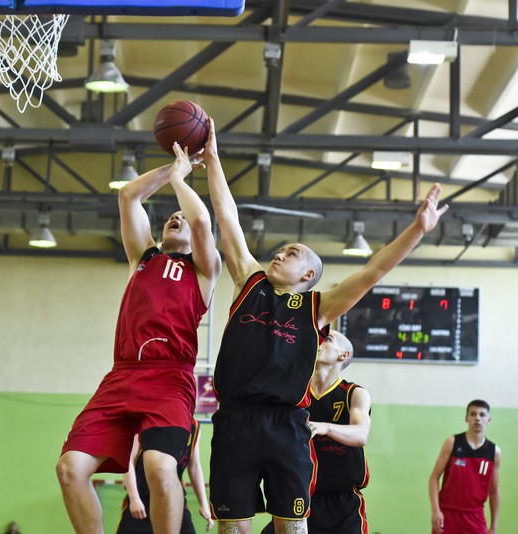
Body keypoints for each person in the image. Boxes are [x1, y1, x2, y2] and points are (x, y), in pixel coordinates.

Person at [203, 117, 448, 534]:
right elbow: (227, 217)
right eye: (281, 250)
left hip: (286, 424)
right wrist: (212, 158)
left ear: (308, 275)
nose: (280, 254)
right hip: (234, 420)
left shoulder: (318, 307)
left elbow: (372, 271)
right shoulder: (249, 282)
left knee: (292, 526)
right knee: (232, 527)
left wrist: (416, 231)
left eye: (292, 252)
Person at [56, 142, 222, 534]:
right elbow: (129, 195)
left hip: (170, 378)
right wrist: (176, 165)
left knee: (160, 468)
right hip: (122, 375)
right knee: (70, 468)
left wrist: (181, 180)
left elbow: (201, 222)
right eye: (171, 216)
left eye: (181, 215)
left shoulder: (204, 270)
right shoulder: (143, 257)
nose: (176, 217)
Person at [260, 330, 371, 534]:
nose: (318, 341)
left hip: (342, 506)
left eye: (327, 339)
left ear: (343, 355)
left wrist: (325, 427)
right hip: (299, 498)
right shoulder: (293, 394)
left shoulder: (355, 393)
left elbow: (361, 434)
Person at [117, 419, 214, 533]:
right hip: (142, 501)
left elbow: (194, 467)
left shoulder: (194, 426)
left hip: (174, 502)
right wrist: (134, 498)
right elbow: (128, 461)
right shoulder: (146, 420)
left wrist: (204, 504)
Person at [429, 400, 500, 534]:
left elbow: (494, 491)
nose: (477, 418)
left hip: (475, 516)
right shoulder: (452, 442)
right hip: (447, 514)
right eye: (473, 414)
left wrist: (494, 526)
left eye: (482, 415)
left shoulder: (494, 452)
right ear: (466, 418)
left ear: (489, 420)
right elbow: (434, 477)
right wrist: (435, 510)